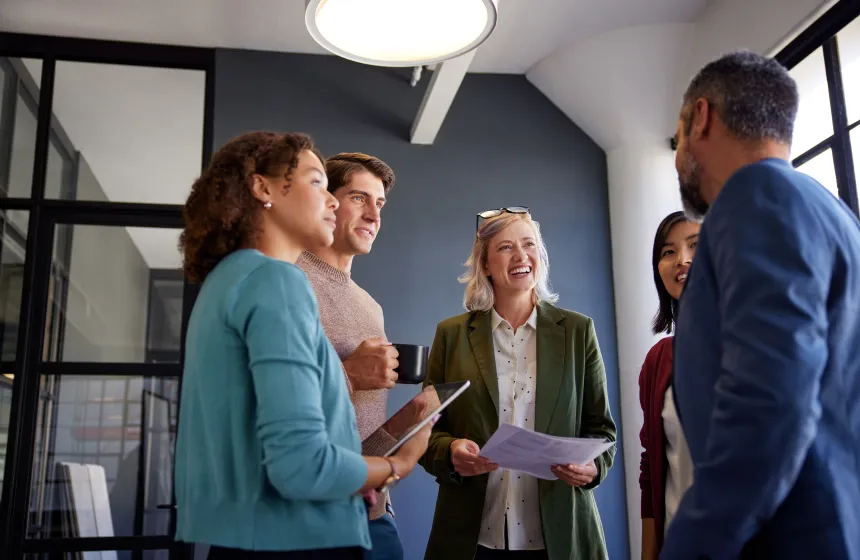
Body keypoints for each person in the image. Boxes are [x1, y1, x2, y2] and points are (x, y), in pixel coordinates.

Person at [174, 132, 432, 559]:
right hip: (299, 532)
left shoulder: (231, 278)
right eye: (318, 183)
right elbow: (301, 465)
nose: (330, 201)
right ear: (263, 188)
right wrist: (396, 467)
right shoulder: (278, 280)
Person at [663, 51, 860, 560]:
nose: (678, 153)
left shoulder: (756, 196)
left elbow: (771, 397)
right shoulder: (832, 213)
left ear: (701, 117)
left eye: (679, 136)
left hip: (788, 537)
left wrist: (693, 544)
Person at [419, 208, 617, 560]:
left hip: (560, 536)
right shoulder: (451, 335)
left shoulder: (577, 331)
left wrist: (592, 468)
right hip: (473, 537)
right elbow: (426, 431)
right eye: (506, 247)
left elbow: (602, 430)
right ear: (485, 265)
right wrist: (450, 452)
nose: (521, 255)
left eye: (529, 245)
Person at [296, 152, 405, 560]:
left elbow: (360, 426)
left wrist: (406, 427)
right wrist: (349, 376)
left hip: (372, 512)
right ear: (326, 200)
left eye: (379, 204)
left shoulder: (371, 307)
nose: (374, 214)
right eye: (360, 198)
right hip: (306, 517)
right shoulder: (286, 281)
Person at [637, 211, 700, 559]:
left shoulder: (752, 344)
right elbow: (652, 467)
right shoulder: (658, 359)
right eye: (668, 252)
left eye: (695, 245)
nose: (682, 260)